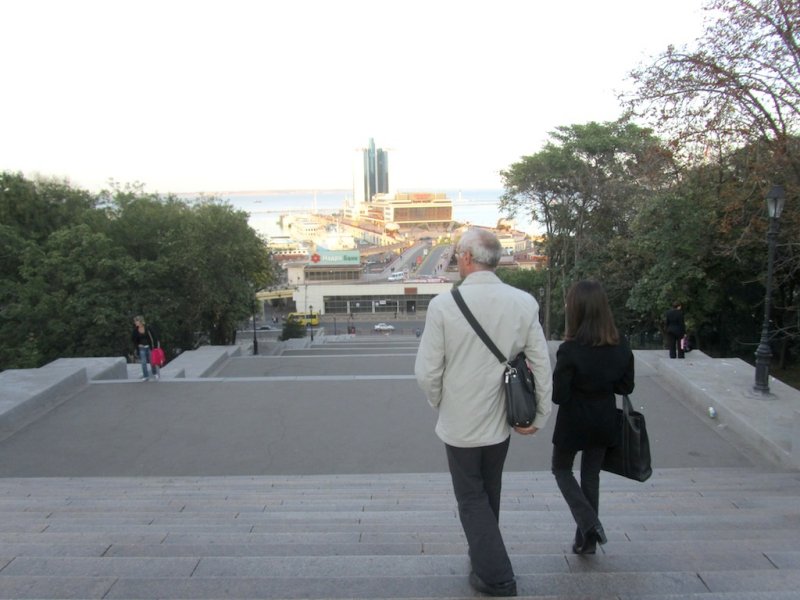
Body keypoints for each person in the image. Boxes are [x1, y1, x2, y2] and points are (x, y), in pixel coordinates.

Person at [415, 228, 553, 597]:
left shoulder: (444, 305)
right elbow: (541, 363)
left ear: (465, 258)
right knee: (490, 491)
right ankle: (483, 554)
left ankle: (496, 576)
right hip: (503, 419)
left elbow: (427, 371)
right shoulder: (524, 302)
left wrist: (439, 401)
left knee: (470, 496)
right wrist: (539, 415)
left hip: (459, 421)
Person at [551, 280, 635, 555]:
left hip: (574, 421)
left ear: (576, 310)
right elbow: (626, 387)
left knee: (561, 469)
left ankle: (589, 523)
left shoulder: (570, 350)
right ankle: (586, 543)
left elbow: (559, 396)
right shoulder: (620, 344)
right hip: (603, 419)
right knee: (591, 476)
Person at [131, 315, 161, 381]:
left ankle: (155, 373)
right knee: (143, 363)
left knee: (152, 362)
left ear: (140, 321)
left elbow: (154, 337)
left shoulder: (148, 328)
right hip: (142, 349)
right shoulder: (135, 330)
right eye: (135, 321)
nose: (135, 323)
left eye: (136, 321)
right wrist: (138, 345)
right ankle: (145, 376)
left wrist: (155, 347)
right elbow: (133, 339)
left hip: (149, 347)